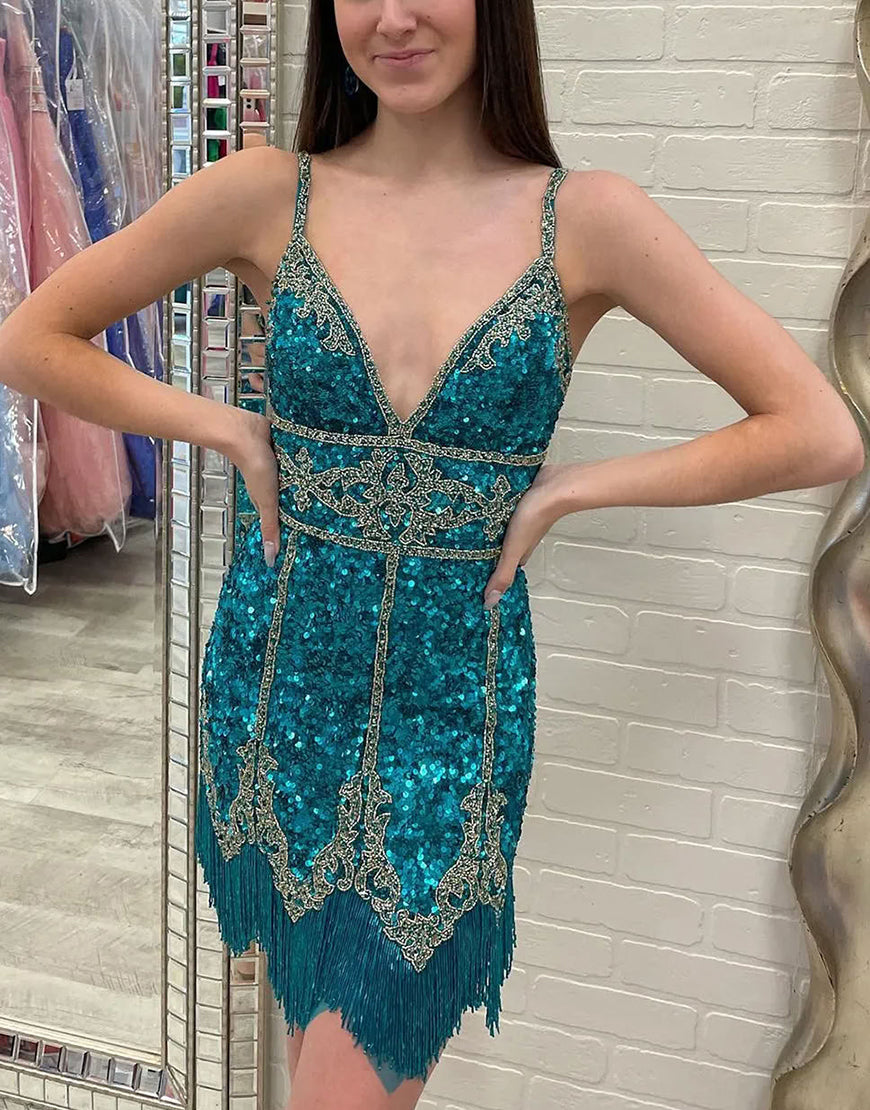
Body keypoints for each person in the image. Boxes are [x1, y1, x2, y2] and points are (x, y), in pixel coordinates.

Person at [0, 0, 863, 1107]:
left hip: (450, 714)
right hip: (276, 680)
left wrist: (571, 489)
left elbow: (817, 431)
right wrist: (225, 428)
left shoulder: (586, 219)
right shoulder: (265, 191)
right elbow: (31, 338)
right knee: (319, 1045)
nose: (393, 18)